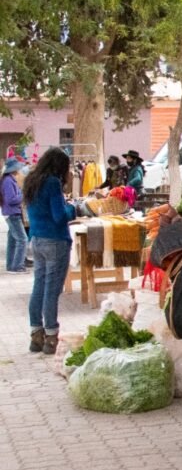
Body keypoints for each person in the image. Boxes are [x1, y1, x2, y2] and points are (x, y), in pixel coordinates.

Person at [23, 148, 77, 354]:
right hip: (55, 241)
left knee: (39, 286)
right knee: (52, 291)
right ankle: (51, 336)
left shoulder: (32, 180)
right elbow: (59, 216)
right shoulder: (52, 183)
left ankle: (36, 335)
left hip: (36, 239)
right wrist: (72, 209)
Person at [2, 158, 29, 274]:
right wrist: (22, 195)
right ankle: (17, 266)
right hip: (13, 213)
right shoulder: (8, 181)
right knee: (22, 239)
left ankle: (11, 265)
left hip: (10, 212)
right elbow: (11, 199)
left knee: (13, 240)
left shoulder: (8, 180)